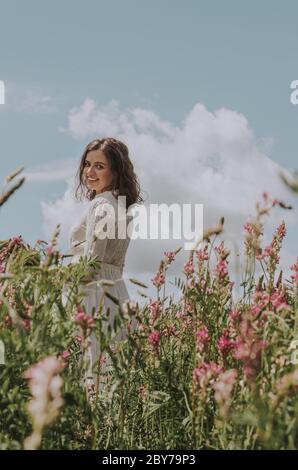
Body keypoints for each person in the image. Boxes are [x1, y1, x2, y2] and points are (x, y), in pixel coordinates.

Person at [67, 137, 143, 390]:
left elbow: (91, 262)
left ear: (116, 171)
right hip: (116, 293)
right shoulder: (122, 206)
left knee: (90, 377)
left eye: (99, 166)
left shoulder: (101, 205)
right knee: (113, 378)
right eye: (87, 164)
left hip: (92, 295)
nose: (89, 172)